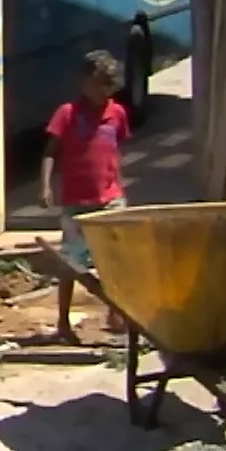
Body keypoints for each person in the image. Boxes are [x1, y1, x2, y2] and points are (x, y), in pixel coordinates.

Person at [40, 49, 131, 344]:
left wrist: (119, 184)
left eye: (109, 85)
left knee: (115, 261)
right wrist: (45, 186)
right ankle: (63, 323)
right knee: (71, 263)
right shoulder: (68, 114)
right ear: (84, 82)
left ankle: (116, 313)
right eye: (99, 84)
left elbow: (116, 151)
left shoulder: (116, 113)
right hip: (77, 203)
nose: (104, 91)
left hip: (111, 199)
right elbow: (51, 152)